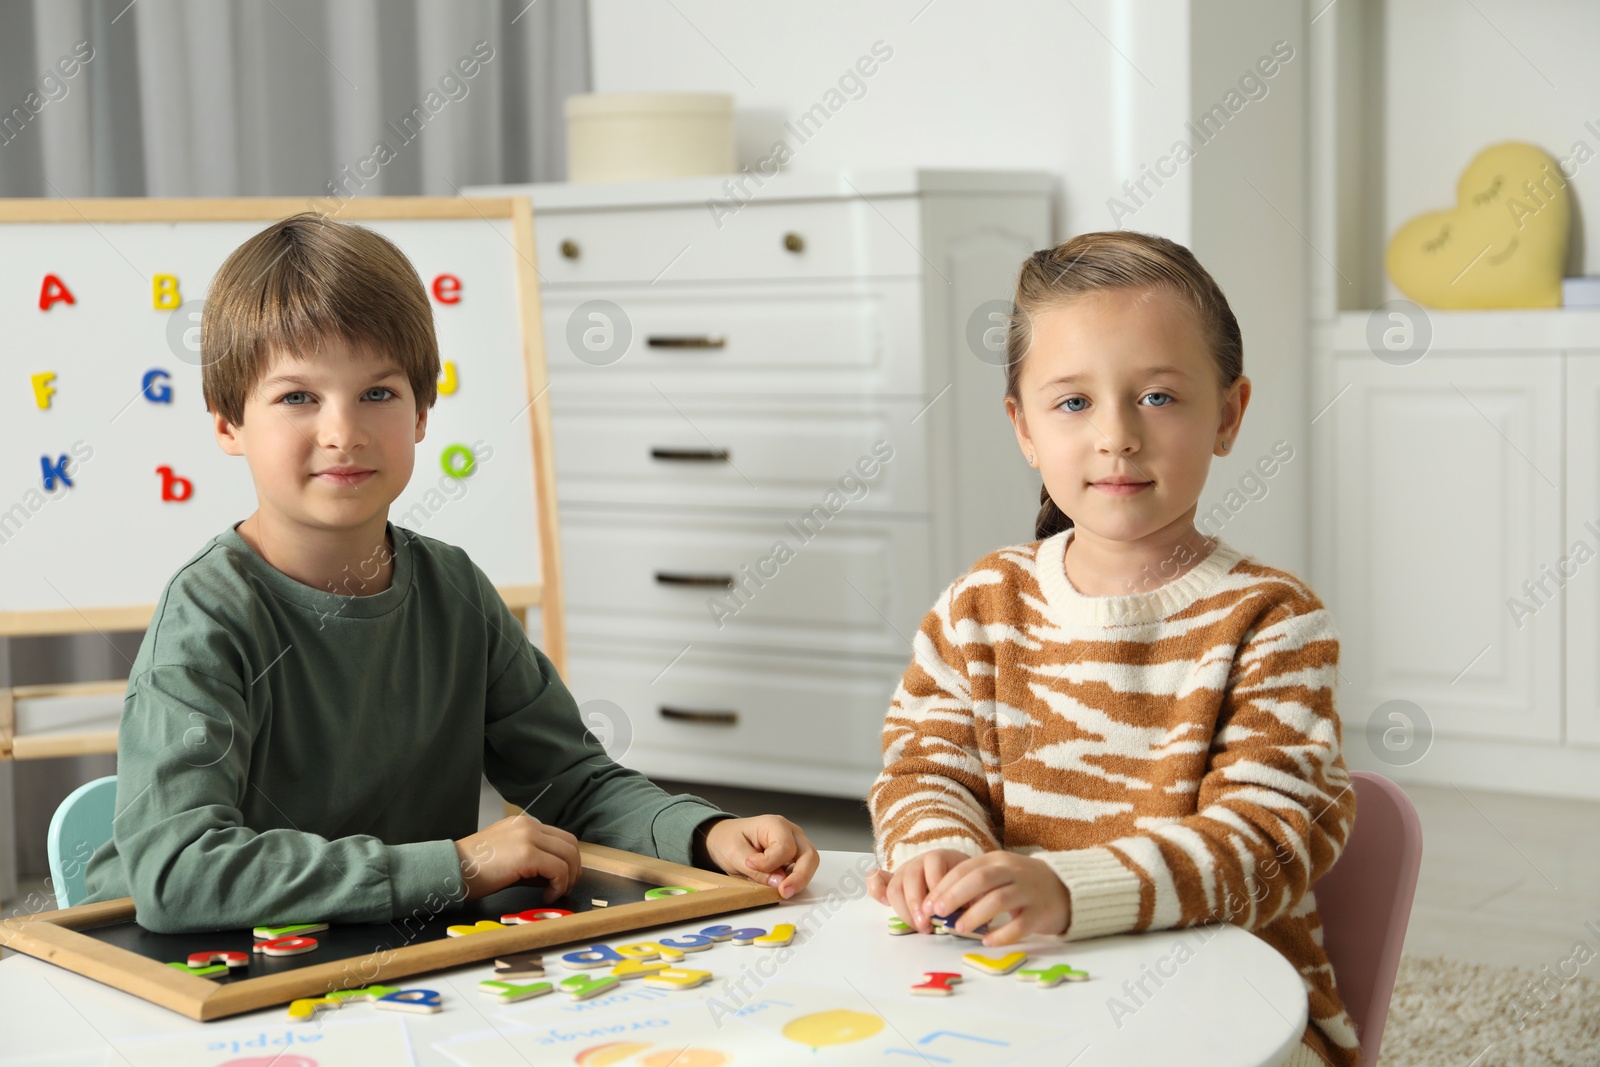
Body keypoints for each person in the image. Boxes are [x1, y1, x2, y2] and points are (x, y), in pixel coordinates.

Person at [82, 212, 817, 932]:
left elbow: (576, 783)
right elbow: (177, 872)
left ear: (423, 411)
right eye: (297, 397)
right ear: (227, 423)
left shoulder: (455, 590)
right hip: (189, 980)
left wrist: (706, 832)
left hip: (392, 960)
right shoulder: (207, 618)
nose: (343, 431)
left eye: (379, 392)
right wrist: (454, 867)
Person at [865, 231, 1358, 1066]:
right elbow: (922, 770)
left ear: (1229, 415)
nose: (1118, 435)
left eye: (1159, 398)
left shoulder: (1274, 621)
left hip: (1233, 1015)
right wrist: (933, 851)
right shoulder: (980, 607)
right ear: (1023, 427)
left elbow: (1266, 842)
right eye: (1073, 403)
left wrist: (1067, 888)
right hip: (1018, 987)